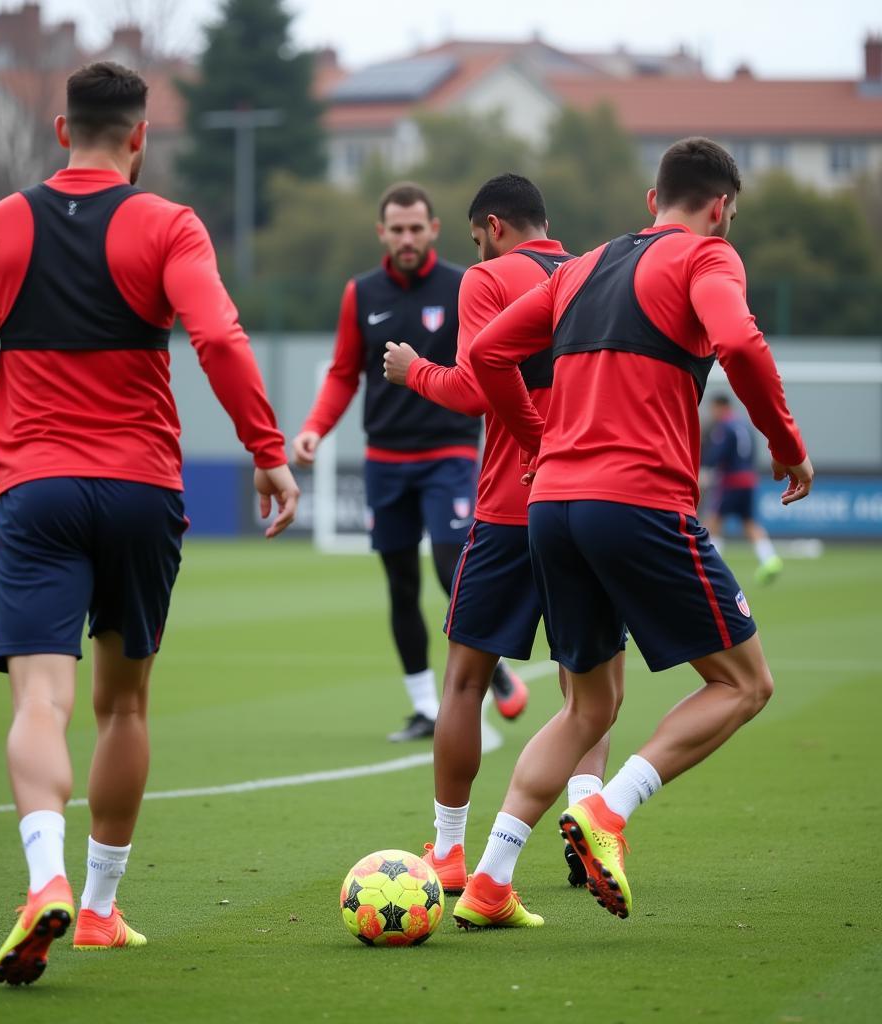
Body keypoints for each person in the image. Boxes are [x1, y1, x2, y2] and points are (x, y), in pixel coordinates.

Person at [0, 62, 299, 986]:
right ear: (140, 137)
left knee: (39, 701)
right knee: (124, 702)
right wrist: (267, 448)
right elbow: (218, 338)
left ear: (62, 129)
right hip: (141, 489)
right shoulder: (167, 222)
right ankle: (96, 908)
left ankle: (43, 876)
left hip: (39, 491)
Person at [461, 137, 812, 926]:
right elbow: (742, 344)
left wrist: (537, 441)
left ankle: (488, 882)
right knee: (745, 684)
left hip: (551, 508)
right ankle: (609, 811)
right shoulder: (708, 258)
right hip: (639, 503)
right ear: (721, 208)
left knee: (589, 706)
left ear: (653, 200)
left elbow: (486, 354)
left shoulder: (580, 266)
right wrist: (787, 446)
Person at [383, 174, 619, 904]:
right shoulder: (595, 276)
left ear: (491, 226)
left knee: (465, 679)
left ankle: (450, 852)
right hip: (589, 500)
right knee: (592, 688)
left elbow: (476, 384)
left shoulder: (486, 279)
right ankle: (590, 828)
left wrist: (410, 370)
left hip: (513, 506)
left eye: (473, 235)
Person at [293, 183, 523, 742]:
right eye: (396, 229)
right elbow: (345, 373)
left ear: (434, 230)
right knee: (399, 585)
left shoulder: (465, 284)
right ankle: (424, 705)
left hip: (448, 453)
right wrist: (314, 430)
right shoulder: (361, 294)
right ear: (382, 234)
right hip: (384, 460)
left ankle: (490, 674)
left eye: (416, 228)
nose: (406, 238)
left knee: (452, 570)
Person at [703, 394, 783, 583]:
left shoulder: (724, 427)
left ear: (720, 407)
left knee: (713, 520)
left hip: (730, 481)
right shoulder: (745, 426)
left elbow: (718, 453)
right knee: (749, 522)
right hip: (748, 479)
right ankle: (770, 559)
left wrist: (705, 468)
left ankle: (712, 565)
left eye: (713, 409)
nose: (712, 414)